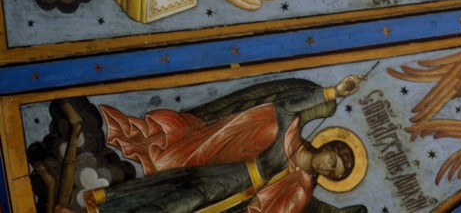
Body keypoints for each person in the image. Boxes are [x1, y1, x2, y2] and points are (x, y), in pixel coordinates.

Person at [82, 76, 367, 212]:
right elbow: (286, 106)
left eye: (333, 173)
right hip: (226, 176)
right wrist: (333, 92)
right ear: (326, 147)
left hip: (233, 207)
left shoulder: (301, 191)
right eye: (332, 161)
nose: (327, 168)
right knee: (177, 199)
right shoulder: (289, 136)